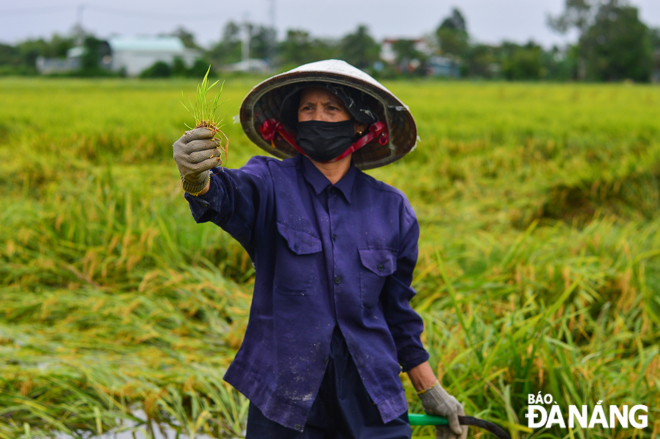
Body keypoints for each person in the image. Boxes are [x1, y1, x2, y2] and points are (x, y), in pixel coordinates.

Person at [173, 60, 468, 439]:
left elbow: (398, 313)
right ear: (295, 121)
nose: (318, 117)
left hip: (371, 395)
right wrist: (196, 178)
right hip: (285, 396)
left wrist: (430, 390)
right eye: (307, 108)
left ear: (359, 123)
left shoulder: (392, 209)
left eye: (332, 108)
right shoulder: (268, 182)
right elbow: (226, 195)